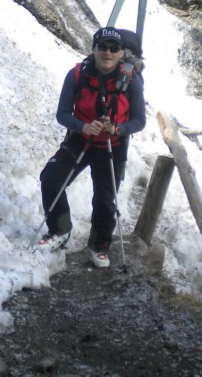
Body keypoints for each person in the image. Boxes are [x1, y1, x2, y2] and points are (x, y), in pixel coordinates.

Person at [35, 27, 146, 268]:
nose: (107, 52)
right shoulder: (76, 75)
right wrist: (83, 126)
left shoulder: (131, 80)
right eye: (103, 47)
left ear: (120, 53)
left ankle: (99, 245)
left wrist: (117, 129)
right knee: (51, 179)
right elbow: (63, 113)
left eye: (113, 48)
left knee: (106, 199)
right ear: (93, 49)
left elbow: (139, 120)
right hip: (80, 139)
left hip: (112, 145)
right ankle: (60, 231)